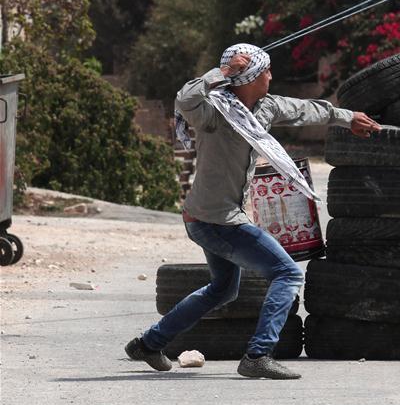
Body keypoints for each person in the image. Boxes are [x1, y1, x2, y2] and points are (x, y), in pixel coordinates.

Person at [125, 43, 380, 379]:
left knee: (223, 289)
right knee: (287, 274)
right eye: (266, 71)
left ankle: (148, 344)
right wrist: (224, 73)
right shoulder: (213, 113)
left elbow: (306, 110)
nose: (271, 76)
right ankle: (258, 355)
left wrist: (348, 119)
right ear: (249, 77)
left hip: (213, 217)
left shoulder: (264, 108)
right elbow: (185, 98)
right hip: (216, 221)